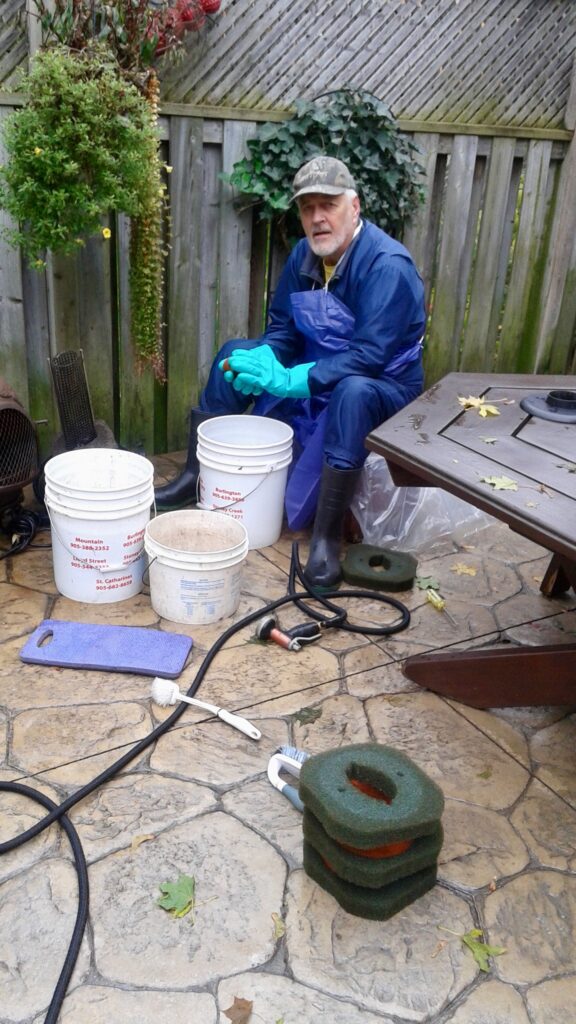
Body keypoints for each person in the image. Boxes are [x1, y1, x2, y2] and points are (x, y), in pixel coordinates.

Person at [156, 155, 426, 588]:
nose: (317, 218)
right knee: (235, 353)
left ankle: (325, 539)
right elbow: (283, 329)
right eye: (307, 207)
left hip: (383, 385)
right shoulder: (305, 255)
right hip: (319, 367)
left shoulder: (387, 266)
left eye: (329, 205)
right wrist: (263, 360)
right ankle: (194, 477)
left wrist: (292, 380)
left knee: (353, 392)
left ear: (354, 207)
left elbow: (368, 358)